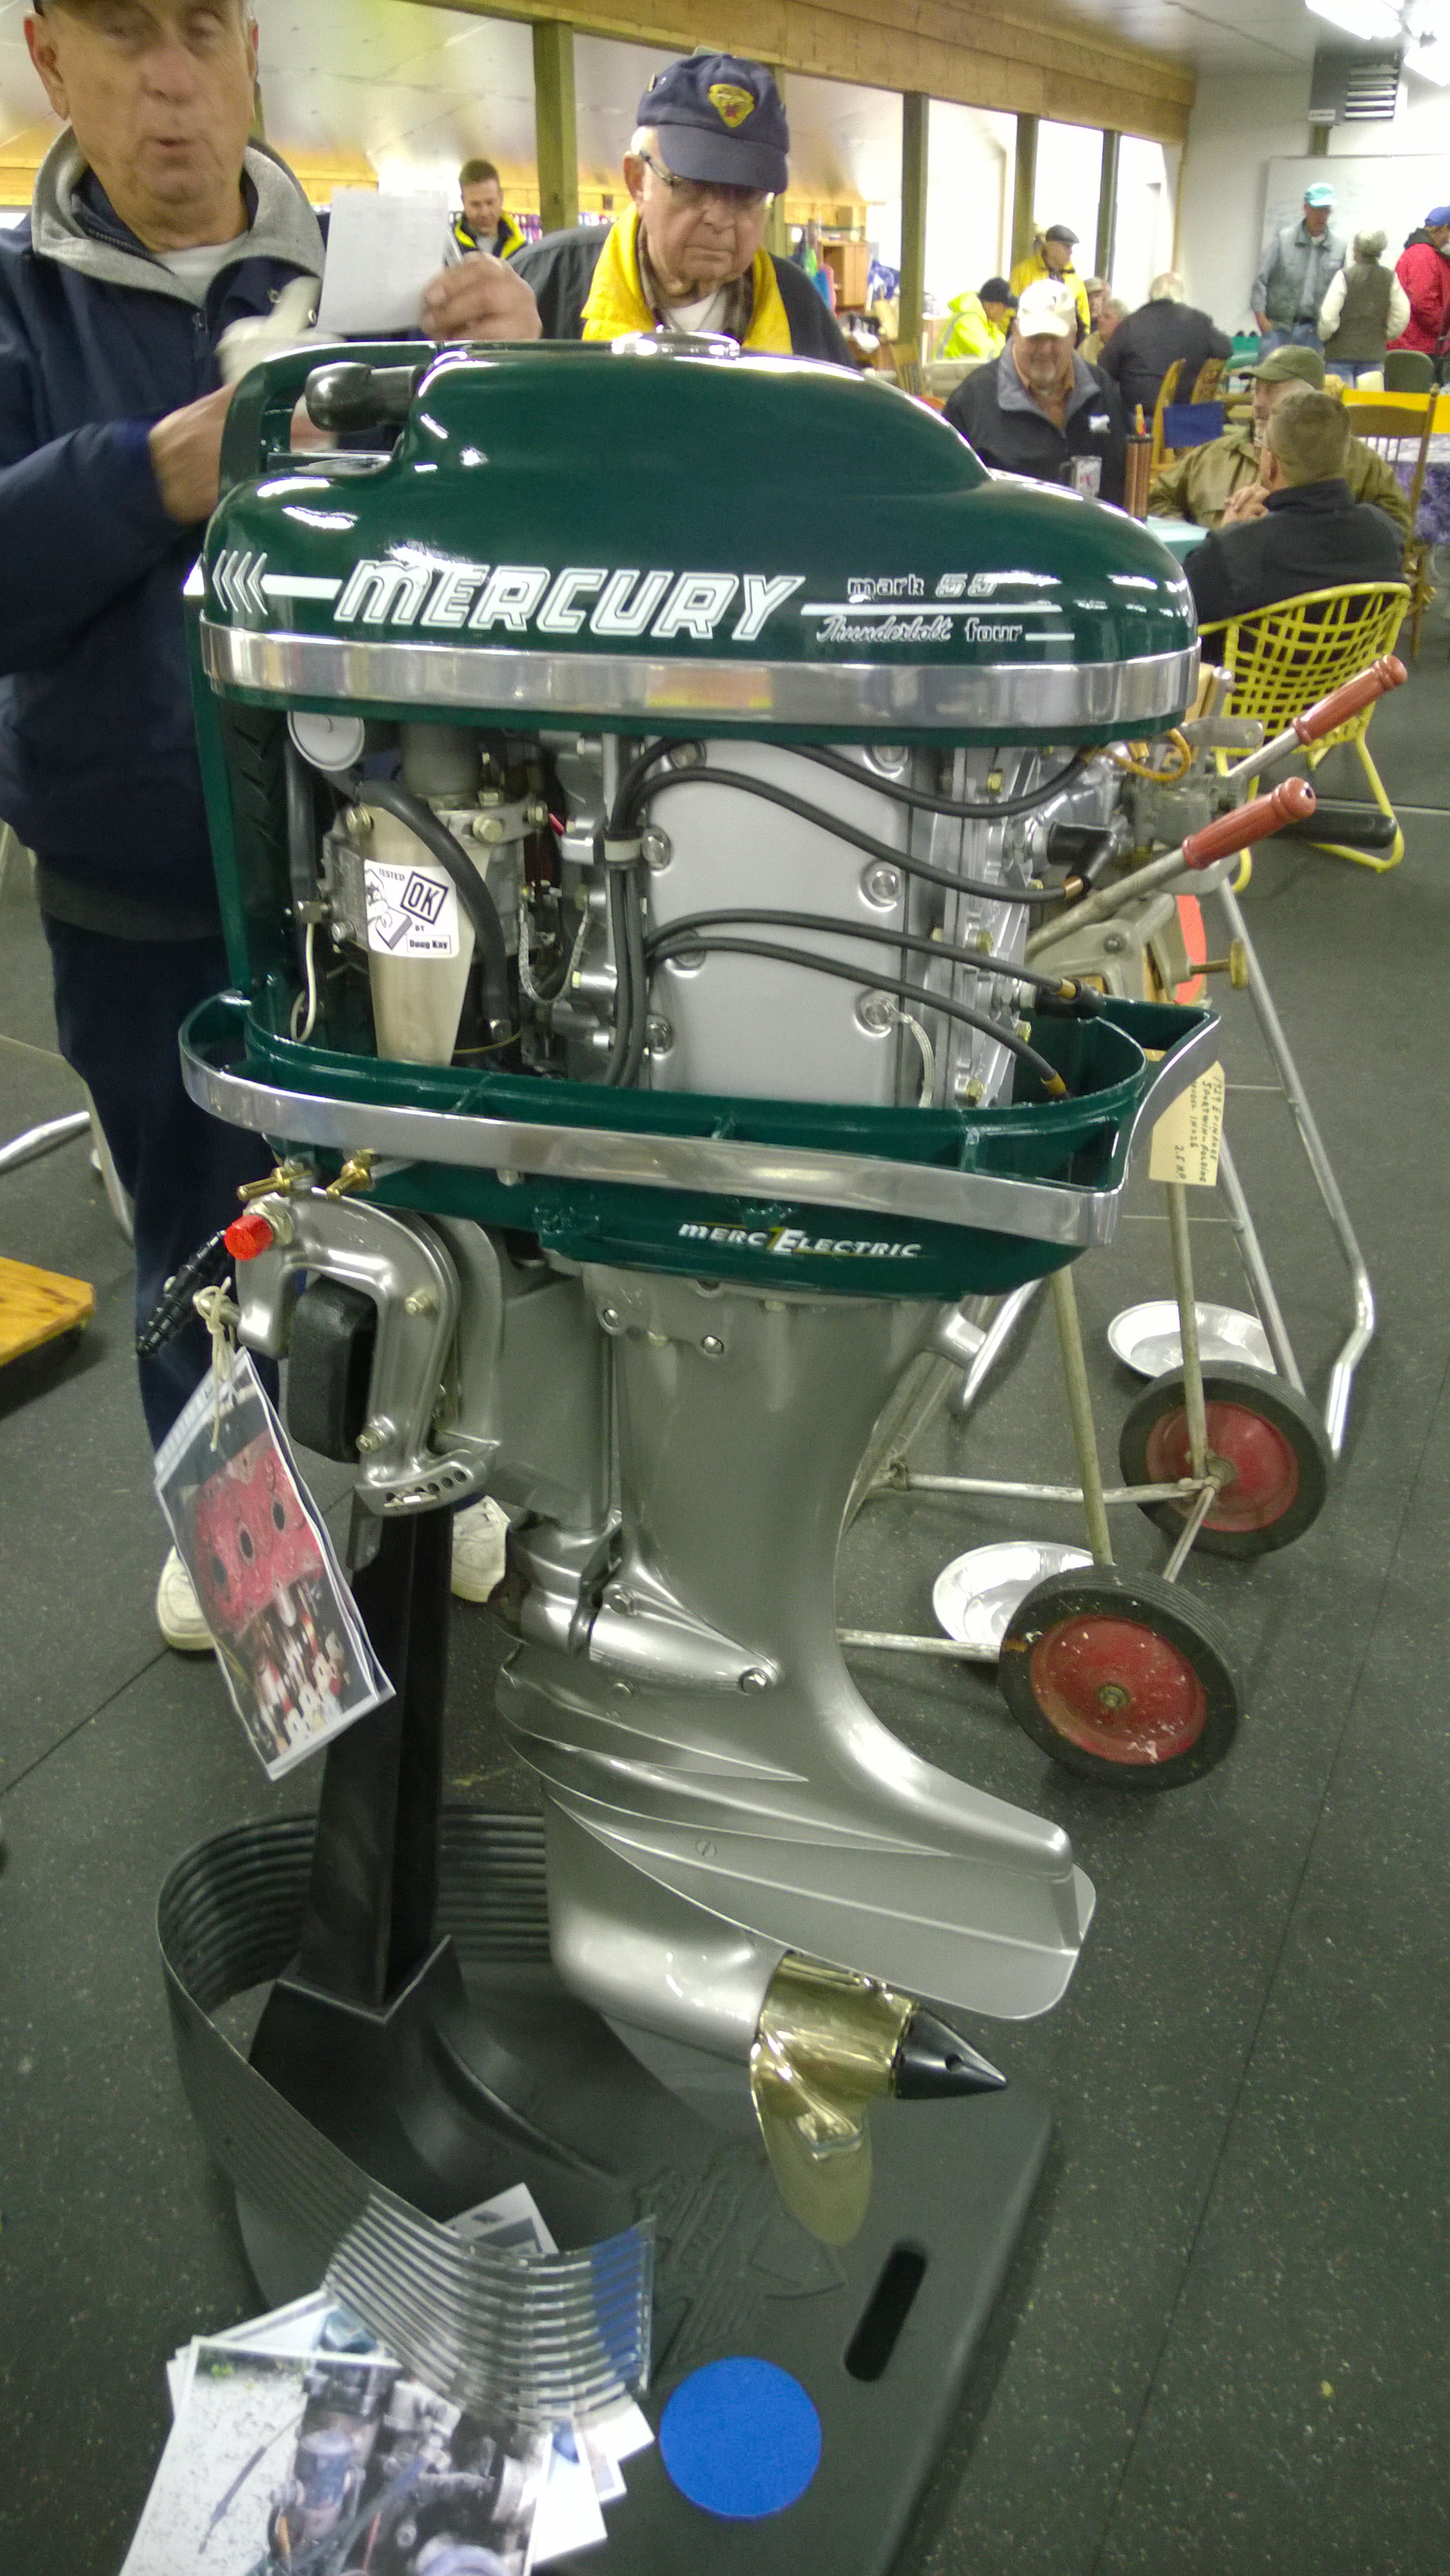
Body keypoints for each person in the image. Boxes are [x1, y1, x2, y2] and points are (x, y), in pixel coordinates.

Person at [1, 0, 539, 1648]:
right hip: (139, 882)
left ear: (249, 48)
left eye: (199, 29)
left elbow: (513, 564)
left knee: (444, 1187)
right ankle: (239, 1531)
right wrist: (153, 474)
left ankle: (446, 1473)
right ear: (49, 58)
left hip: (395, 856)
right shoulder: (16, 309)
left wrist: (518, 384)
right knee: (199, 1232)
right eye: (123, 34)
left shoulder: (386, 280)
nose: (169, 80)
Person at [511, 54, 850, 362]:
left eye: (748, 193)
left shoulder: (800, 308)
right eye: (693, 185)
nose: (720, 219)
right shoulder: (541, 287)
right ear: (637, 182)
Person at [1185, 387, 1404, 627]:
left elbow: (1185, 615)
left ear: (1271, 464)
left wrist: (1227, 534)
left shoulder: (1236, 551)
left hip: (1256, 653)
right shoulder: (1385, 534)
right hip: (1355, 653)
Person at [1148, 344, 1409, 534]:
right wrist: (1195, 538)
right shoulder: (1213, 456)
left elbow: (1397, 525)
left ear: (1309, 400)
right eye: (1256, 390)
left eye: (1272, 391)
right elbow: (1158, 498)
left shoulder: (1355, 462)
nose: (1258, 404)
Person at [945, 275, 1127, 504]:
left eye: (1055, 338)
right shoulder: (972, 400)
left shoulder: (1101, 391)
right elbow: (949, 494)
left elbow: (1121, 476)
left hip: (1090, 525)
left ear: (1073, 335)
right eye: (1035, 337)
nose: (1045, 349)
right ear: (1016, 331)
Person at [1097, 271, 1231, 417]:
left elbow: (1104, 366)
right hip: (1186, 416)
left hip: (1139, 418)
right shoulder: (1199, 321)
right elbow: (1226, 349)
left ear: (1151, 295)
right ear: (1181, 296)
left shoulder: (1131, 323)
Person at [1251, 183, 1345, 353]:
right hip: (1278, 330)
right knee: (1272, 372)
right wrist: (1263, 322)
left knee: (1309, 372)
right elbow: (1261, 282)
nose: (1321, 216)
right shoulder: (1284, 239)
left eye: (1326, 210)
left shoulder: (1339, 247)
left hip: (1315, 333)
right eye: (1317, 210)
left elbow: (1341, 294)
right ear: (1306, 208)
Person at [1319, 230, 1411, 381]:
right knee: (1369, 397)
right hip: (1373, 355)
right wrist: (1387, 334)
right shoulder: (1390, 278)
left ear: (1357, 250)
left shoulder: (1344, 276)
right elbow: (1403, 313)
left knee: (1339, 396)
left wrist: (1325, 337)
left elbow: (1328, 317)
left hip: (1340, 353)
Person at [1009, 223, 1090, 339]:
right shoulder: (1022, 273)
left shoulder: (1076, 281)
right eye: (1066, 247)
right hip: (1029, 340)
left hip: (1063, 343)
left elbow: (1084, 320)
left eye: (1071, 248)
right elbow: (1008, 312)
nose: (1070, 252)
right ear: (1050, 248)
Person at [1389, 206, 1450, 359]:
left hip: (1419, 344)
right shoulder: (1424, 255)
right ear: (1445, 229)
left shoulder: (1432, 254)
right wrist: (1444, 331)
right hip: (1416, 346)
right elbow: (1423, 302)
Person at [453, 156, 525, 262]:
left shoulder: (523, 252)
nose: (484, 212)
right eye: (476, 204)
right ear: (463, 202)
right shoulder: (447, 250)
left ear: (501, 198)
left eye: (490, 203)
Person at [937, 274, 1015, 360]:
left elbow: (1002, 346)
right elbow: (988, 355)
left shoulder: (987, 324)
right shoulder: (967, 320)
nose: (1006, 311)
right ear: (992, 306)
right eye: (1004, 307)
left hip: (960, 368)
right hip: (944, 368)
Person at [1083, 294, 1127, 367]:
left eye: (1107, 317)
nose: (1100, 320)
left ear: (1121, 322)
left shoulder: (1128, 346)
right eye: (1100, 316)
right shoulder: (1089, 342)